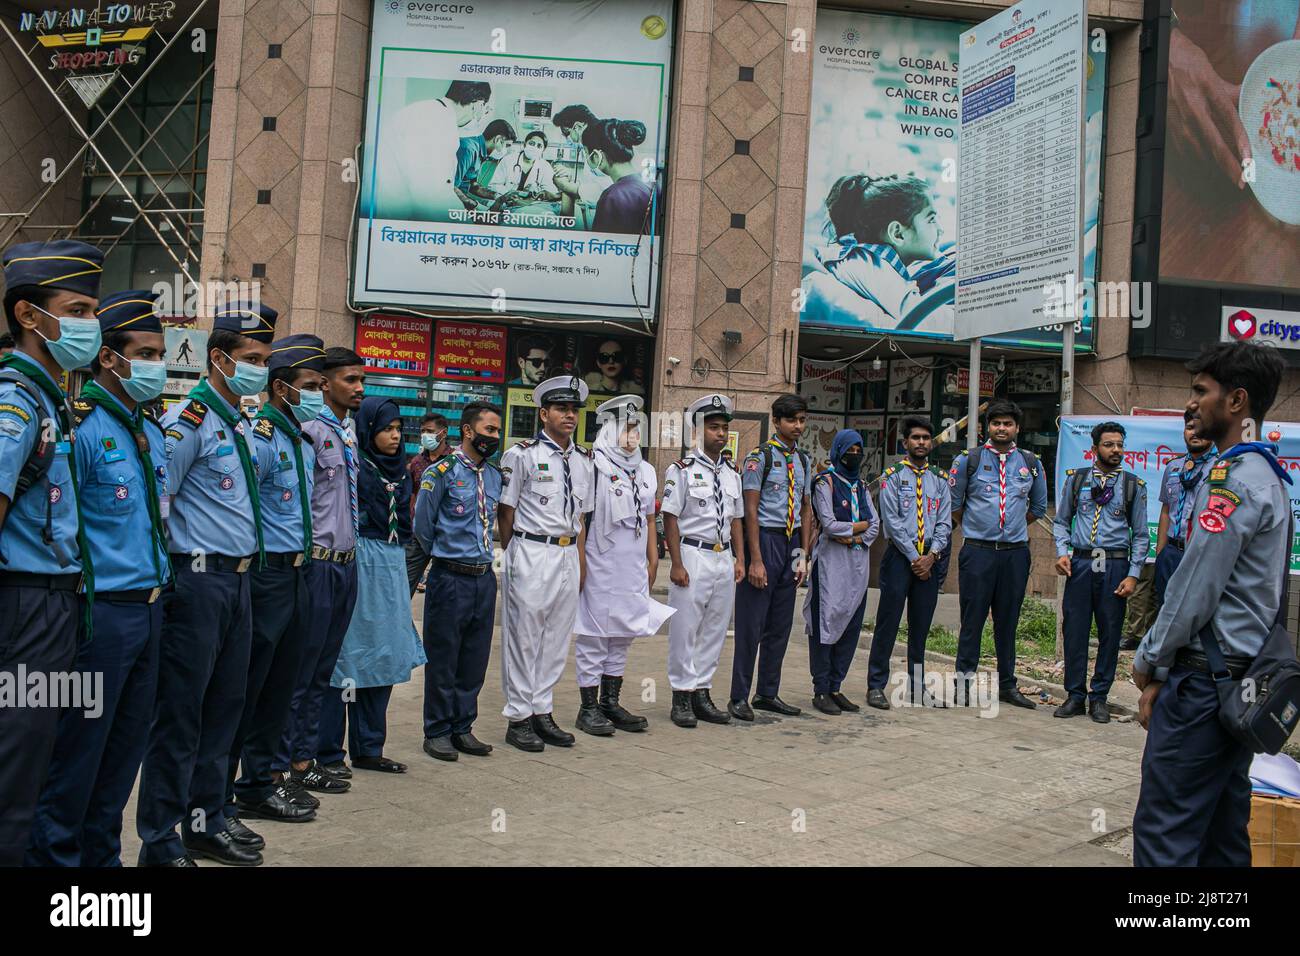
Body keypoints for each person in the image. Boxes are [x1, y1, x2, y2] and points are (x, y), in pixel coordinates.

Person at [1132, 341, 1290, 867]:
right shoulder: (1269, 475)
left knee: (1165, 835)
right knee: (1222, 835)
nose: (1191, 403)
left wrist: (1149, 661)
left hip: (1203, 686)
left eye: (1201, 392)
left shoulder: (1233, 481)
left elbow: (1192, 590)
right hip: (1238, 684)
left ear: (1237, 401)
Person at [28, 286, 166, 868]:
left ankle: (100, 863)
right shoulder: (81, 429)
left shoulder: (150, 429)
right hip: (97, 615)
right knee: (78, 755)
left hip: (150, 608)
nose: (157, 366)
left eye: (161, 354)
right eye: (147, 353)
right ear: (110, 357)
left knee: (123, 755)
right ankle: (57, 865)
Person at [136, 300, 275, 867]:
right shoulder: (187, 421)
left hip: (238, 582)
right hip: (197, 582)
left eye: (264, 359)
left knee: (226, 705)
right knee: (183, 712)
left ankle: (206, 818)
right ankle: (160, 839)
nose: (260, 370)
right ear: (218, 359)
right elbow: (159, 500)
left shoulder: (236, 421)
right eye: (251, 358)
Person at [0, 240, 103, 868]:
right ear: (29, 316)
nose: (90, 325)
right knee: (15, 763)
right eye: (78, 309)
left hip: (54, 607)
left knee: (34, 757)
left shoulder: (50, 398)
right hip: (26, 606)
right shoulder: (14, 401)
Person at [225, 335, 326, 830]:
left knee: (282, 684)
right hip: (265, 573)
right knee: (250, 685)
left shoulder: (299, 440)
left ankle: (259, 783)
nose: (318, 394)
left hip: (297, 572)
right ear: (282, 387)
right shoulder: (261, 438)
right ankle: (227, 792)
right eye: (310, 386)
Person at [274, 347, 365, 797]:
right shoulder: (309, 430)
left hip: (346, 566)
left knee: (322, 671)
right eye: (350, 379)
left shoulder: (344, 433)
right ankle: (285, 764)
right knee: (301, 670)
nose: (360, 387)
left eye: (361, 379)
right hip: (317, 565)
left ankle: (305, 759)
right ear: (326, 384)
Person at [319, 397, 426, 775]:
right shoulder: (354, 464)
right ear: (368, 430)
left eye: (399, 429)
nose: (395, 436)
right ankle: (329, 753)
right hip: (358, 561)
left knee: (383, 654)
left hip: (392, 564)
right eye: (386, 429)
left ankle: (369, 748)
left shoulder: (402, 469)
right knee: (347, 655)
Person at [497, 375, 595, 751]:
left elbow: (581, 518)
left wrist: (581, 562)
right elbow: (506, 511)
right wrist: (514, 555)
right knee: (524, 636)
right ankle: (518, 716)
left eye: (574, 410)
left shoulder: (585, 460)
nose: (570, 415)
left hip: (568, 552)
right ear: (544, 413)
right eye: (561, 409)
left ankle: (542, 709)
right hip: (532, 549)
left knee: (556, 638)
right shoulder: (521, 455)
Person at [572, 395, 672, 736]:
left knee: (623, 634)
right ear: (608, 430)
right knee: (594, 634)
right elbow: (580, 520)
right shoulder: (592, 466)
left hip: (632, 565)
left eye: (636, 429)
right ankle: (587, 708)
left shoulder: (644, 470)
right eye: (624, 429)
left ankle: (610, 703)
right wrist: (581, 563)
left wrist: (654, 555)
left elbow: (648, 515)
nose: (632, 437)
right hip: (599, 563)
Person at [415, 401, 503, 761]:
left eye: (497, 431)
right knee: (444, 656)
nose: (494, 437)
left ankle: (462, 727)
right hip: (450, 577)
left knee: (474, 658)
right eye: (489, 430)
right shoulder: (441, 472)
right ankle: (437, 730)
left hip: (484, 579)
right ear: (468, 431)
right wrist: (443, 558)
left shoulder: (496, 476)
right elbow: (423, 527)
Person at [948, 400, 1048, 710]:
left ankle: (1007, 685)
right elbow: (954, 504)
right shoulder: (969, 460)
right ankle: (963, 684)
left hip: (1014, 555)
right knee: (972, 620)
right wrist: (981, 528)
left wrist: (1010, 529)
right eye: (996, 423)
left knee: (1008, 622)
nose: (1001, 428)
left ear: (1017, 428)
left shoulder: (1031, 463)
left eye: (1007, 424)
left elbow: (1038, 508)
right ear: (986, 427)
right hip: (978, 553)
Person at [1052, 422, 1149, 723]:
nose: (1116, 450)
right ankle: (1075, 695)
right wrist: (1061, 552)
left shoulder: (1133, 485)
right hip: (1080, 564)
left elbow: (1142, 535)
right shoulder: (1077, 480)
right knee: (1075, 630)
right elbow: (1060, 521)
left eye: (1120, 444)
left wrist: (1133, 574)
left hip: (1114, 565)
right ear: (1094, 449)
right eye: (1109, 445)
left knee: (1110, 633)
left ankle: (1100, 698)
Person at [662, 395, 744, 727]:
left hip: (723, 556)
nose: (720, 434)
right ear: (698, 432)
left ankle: (702, 691)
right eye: (713, 428)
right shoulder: (680, 469)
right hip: (693, 554)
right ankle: (681, 695)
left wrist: (739, 557)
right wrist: (676, 563)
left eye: (724, 428)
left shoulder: (732, 472)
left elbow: (736, 518)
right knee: (685, 628)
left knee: (715, 628)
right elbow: (669, 518)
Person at [729, 393, 812, 721]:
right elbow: (750, 510)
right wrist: (755, 559)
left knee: (780, 624)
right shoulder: (759, 457)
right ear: (776, 421)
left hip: (792, 543)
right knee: (752, 624)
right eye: (791, 419)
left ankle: (768, 692)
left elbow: (806, 509)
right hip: (764, 539)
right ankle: (738, 696)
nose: (798, 426)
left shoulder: (804, 460)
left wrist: (803, 555)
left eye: (802, 420)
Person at [867, 416, 952, 709]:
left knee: (920, 625)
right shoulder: (891, 477)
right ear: (906, 443)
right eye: (915, 438)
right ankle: (876, 685)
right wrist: (915, 557)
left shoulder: (940, 481)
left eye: (926, 438)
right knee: (887, 622)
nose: (921, 443)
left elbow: (944, 522)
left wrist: (933, 555)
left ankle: (917, 687)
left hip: (930, 558)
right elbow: (890, 521)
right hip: (900, 558)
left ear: (931, 443)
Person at [805, 173, 955, 334]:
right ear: (897, 233)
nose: (940, 229)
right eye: (931, 220)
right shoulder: (870, 264)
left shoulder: (862, 259)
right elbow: (922, 318)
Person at [803, 429, 879, 715]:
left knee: (850, 624)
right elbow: (830, 524)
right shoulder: (825, 482)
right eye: (850, 450)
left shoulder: (861, 485)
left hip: (858, 565)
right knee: (826, 623)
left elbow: (876, 524)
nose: (855, 455)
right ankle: (821, 688)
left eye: (859, 450)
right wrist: (859, 526)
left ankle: (836, 685)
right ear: (838, 451)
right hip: (831, 564)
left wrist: (855, 535)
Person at [375, 80, 493, 220]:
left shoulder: (429, 112)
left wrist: (461, 199)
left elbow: (432, 178)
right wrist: (466, 222)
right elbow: (431, 197)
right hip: (399, 219)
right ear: (478, 105)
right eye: (485, 110)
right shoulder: (437, 123)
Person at [1153, 411, 1216, 606]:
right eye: (1190, 428)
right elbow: (1166, 509)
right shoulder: (1173, 467)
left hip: (1202, 554)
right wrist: (1160, 552)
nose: (1195, 433)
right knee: (1165, 611)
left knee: (1195, 613)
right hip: (1171, 554)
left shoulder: (1222, 467)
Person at [581, 118, 658, 235]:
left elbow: (601, 246)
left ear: (596, 156)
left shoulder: (612, 196)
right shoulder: (650, 184)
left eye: (586, 153)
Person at [405, 413, 449, 595]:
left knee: (444, 588)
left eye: (430, 431)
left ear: (443, 433)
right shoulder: (416, 463)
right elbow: (412, 495)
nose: (425, 436)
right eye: (422, 431)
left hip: (446, 534)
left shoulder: (455, 460)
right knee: (404, 584)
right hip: (418, 533)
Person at [454, 118, 516, 208]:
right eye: (507, 145)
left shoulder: (481, 153)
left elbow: (473, 185)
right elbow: (451, 187)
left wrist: (498, 196)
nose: (506, 150)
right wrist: (476, 206)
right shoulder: (469, 149)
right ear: (498, 139)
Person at [488, 131, 561, 206]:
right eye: (531, 143)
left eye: (539, 146)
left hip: (530, 206)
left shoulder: (545, 167)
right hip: (506, 203)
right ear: (524, 144)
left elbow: (550, 192)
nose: (534, 147)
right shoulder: (508, 160)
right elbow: (494, 185)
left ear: (543, 150)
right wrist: (509, 193)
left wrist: (535, 192)